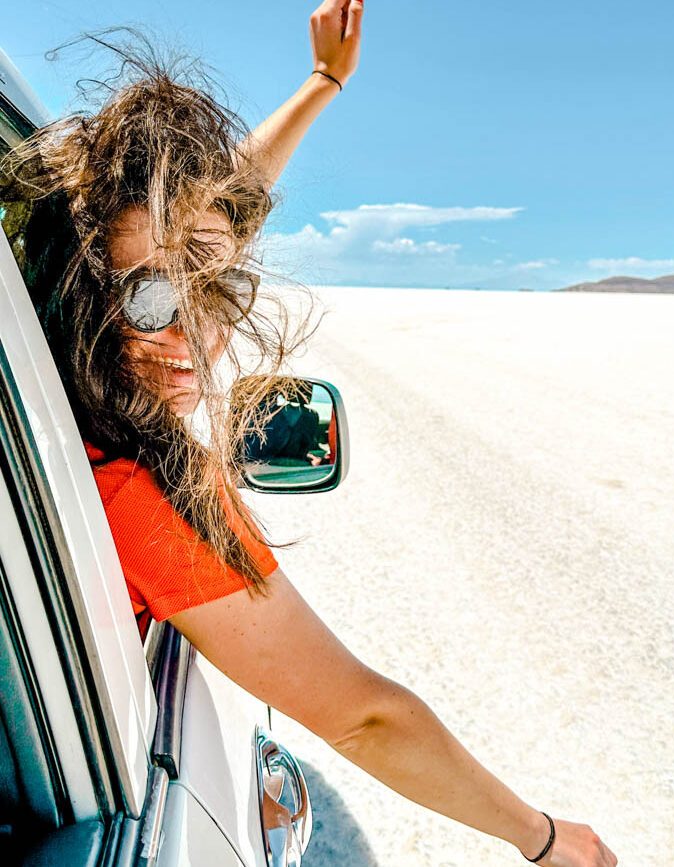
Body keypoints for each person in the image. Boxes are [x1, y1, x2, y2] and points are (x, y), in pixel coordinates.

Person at [0, 3, 618, 865]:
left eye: (217, 291)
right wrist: (545, 838)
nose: (194, 336)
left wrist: (323, 84)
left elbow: (210, 214)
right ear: (75, 280)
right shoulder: (134, 489)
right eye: (150, 297)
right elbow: (365, 717)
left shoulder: (47, 390)